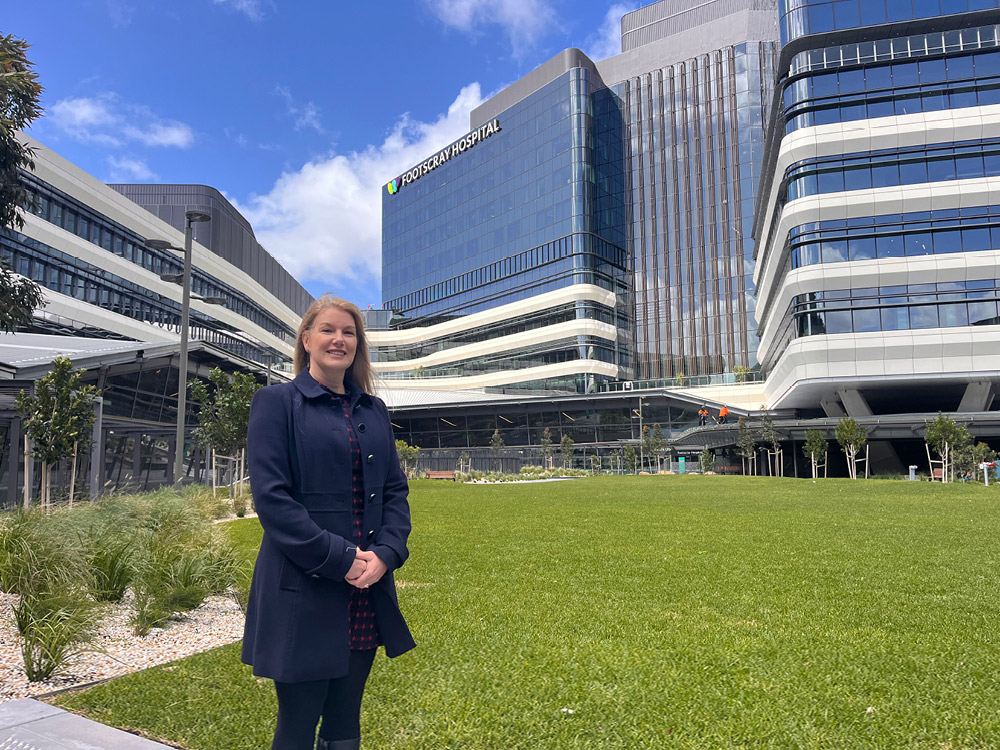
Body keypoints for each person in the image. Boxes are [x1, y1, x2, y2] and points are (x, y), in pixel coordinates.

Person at [243, 295, 415, 750]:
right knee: (298, 725)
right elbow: (273, 500)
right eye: (328, 330)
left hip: (365, 588)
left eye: (349, 332)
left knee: (345, 722)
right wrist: (341, 559)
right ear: (306, 339)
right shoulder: (276, 403)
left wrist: (385, 555)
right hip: (303, 588)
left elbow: (394, 491)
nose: (339, 339)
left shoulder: (373, 411)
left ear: (358, 344)